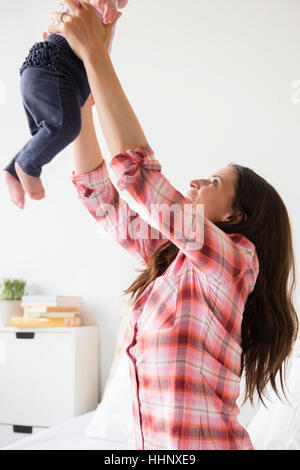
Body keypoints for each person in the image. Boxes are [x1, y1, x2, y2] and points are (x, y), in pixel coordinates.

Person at [48, 0, 298, 450]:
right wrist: (82, 85)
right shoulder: (173, 261)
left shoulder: (237, 262)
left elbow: (139, 177)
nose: (198, 180)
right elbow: (103, 198)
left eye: (216, 181)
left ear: (236, 216)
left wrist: (98, 56)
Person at [3, 0, 127, 209]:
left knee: (47, 134)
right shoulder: (97, 6)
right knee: (65, 127)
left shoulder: (108, 18)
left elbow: (102, 52)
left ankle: (14, 172)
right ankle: (27, 165)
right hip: (54, 65)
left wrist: (94, 84)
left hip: (50, 73)